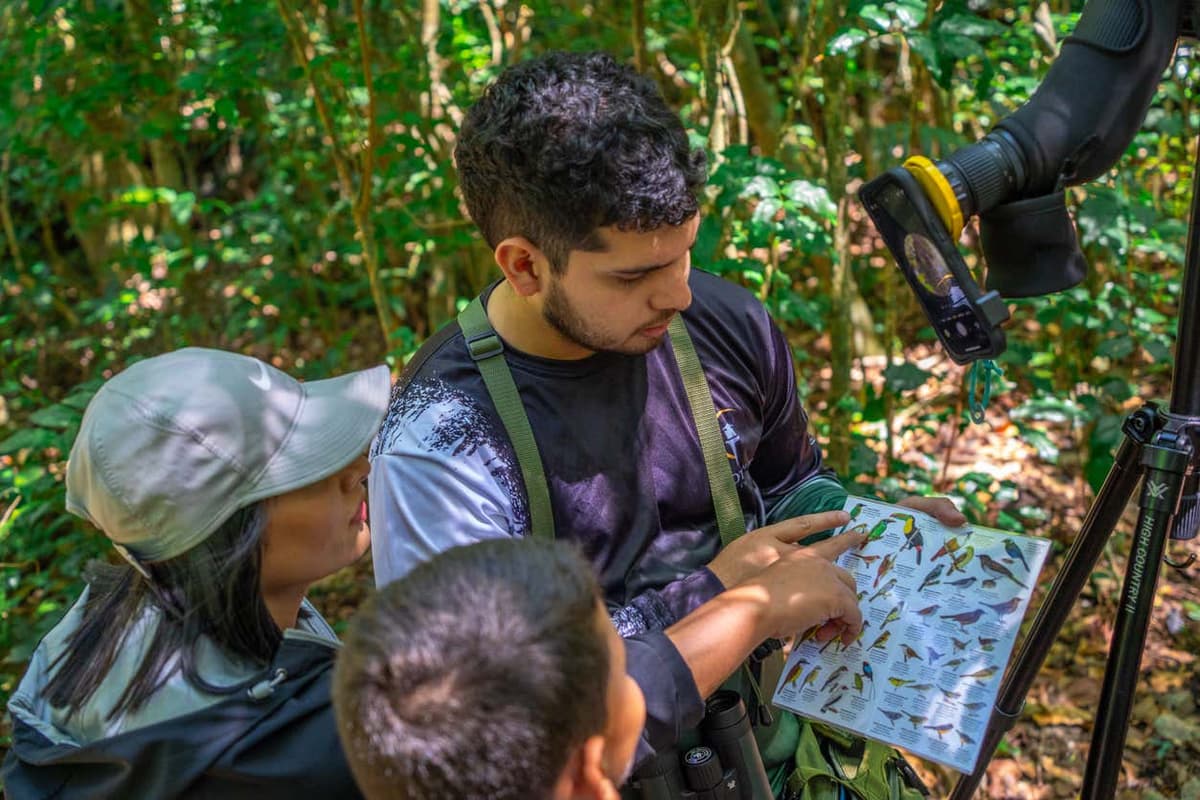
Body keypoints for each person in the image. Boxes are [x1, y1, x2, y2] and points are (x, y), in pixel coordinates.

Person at [367, 50, 964, 785]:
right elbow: (494, 731)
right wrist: (726, 599)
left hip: (792, 752)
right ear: (524, 266)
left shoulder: (725, 323)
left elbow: (787, 488)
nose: (677, 294)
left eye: (684, 253)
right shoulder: (444, 442)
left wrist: (873, 536)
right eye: (634, 276)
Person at [3, 347, 390, 799]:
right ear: (228, 536)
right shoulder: (298, 759)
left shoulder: (87, 641)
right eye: (307, 468)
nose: (358, 470)